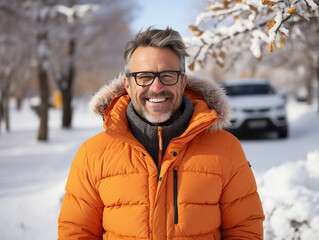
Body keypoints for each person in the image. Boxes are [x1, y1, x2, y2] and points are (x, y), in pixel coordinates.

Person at [58, 27, 264, 240]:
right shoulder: (93, 154)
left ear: (183, 82)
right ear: (127, 85)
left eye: (167, 76)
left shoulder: (226, 149)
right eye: (144, 77)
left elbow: (245, 230)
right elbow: (76, 233)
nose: (156, 87)